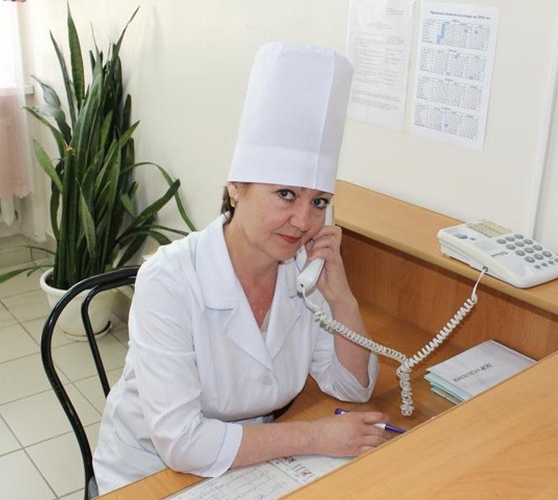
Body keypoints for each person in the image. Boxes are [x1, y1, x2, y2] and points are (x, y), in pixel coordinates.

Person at [93, 42, 389, 494]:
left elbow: (352, 388)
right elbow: (181, 442)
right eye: (285, 195)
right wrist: (314, 437)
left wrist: (342, 298)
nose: (303, 221)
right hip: (152, 473)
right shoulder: (169, 281)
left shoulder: (302, 272)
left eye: (319, 202)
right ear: (236, 188)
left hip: (251, 463)